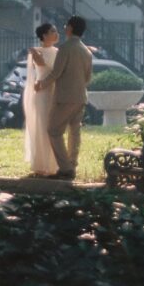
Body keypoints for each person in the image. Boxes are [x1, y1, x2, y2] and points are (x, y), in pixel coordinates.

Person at [35, 15, 92, 180]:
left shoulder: (66, 48)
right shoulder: (86, 50)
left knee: (53, 130)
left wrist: (41, 85)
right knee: (75, 132)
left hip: (65, 98)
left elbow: (56, 73)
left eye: (67, 25)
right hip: (81, 96)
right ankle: (72, 165)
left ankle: (65, 168)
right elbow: (88, 78)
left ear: (71, 28)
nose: (64, 28)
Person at [23, 22, 60, 177]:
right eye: (52, 31)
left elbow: (56, 71)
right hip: (41, 94)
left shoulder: (59, 52)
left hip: (53, 92)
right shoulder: (35, 51)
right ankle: (40, 164)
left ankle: (53, 164)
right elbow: (37, 71)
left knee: (52, 127)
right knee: (41, 126)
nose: (56, 34)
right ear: (44, 35)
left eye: (56, 31)